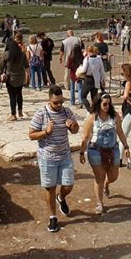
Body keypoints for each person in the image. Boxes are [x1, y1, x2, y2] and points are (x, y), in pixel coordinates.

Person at [29, 85, 81, 233]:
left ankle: (61, 197)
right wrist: (46, 131)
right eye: (55, 103)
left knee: (69, 184)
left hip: (64, 155)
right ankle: (53, 217)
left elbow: (76, 129)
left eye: (61, 102)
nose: (59, 105)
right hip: (47, 157)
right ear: (49, 100)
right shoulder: (41, 113)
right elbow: (31, 135)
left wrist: (72, 127)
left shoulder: (66, 112)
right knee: (50, 187)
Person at [79, 92, 131, 215]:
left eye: (109, 104)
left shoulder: (115, 116)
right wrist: (82, 152)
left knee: (113, 176)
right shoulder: (92, 118)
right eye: (105, 104)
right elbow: (85, 137)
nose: (107, 106)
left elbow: (120, 132)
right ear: (98, 104)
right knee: (99, 177)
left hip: (113, 150)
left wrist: (126, 147)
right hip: (96, 151)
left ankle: (107, 185)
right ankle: (99, 203)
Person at [2, 33, 30, 121]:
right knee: (19, 94)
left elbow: (1, 67)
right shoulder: (22, 54)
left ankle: (13, 114)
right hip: (20, 77)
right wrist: (27, 77)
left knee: (12, 96)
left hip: (10, 77)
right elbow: (26, 66)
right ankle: (20, 111)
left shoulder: (6, 54)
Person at [59, 30, 84, 106]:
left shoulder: (64, 41)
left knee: (68, 76)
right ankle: (80, 101)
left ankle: (68, 89)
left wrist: (60, 58)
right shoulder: (78, 39)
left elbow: (62, 51)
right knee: (80, 86)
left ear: (67, 35)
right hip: (79, 63)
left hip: (69, 61)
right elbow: (83, 48)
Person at [78, 44, 105, 111]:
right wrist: (103, 79)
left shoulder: (87, 59)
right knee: (94, 97)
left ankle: (89, 109)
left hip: (88, 79)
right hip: (96, 79)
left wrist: (79, 68)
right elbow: (102, 70)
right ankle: (95, 109)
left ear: (88, 51)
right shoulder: (99, 58)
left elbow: (84, 70)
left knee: (83, 96)